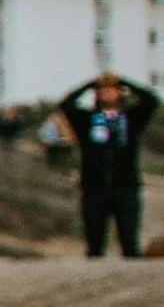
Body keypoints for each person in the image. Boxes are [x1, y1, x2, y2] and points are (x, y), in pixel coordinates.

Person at [61, 71, 157, 258]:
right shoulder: (86, 120)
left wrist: (123, 81)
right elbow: (66, 104)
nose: (107, 94)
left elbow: (151, 101)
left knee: (130, 243)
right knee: (94, 245)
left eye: (112, 90)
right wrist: (91, 83)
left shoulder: (130, 118)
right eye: (103, 91)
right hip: (94, 188)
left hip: (126, 186)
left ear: (119, 93)